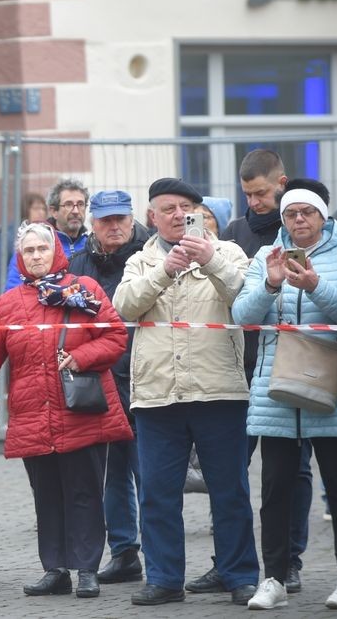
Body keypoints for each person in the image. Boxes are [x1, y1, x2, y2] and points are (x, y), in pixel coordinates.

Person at [0, 221, 131, 599]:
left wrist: (79, 357)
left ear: (56, 251)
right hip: (34, 418)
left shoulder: (83, 290)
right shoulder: (7, 305)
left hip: (81, 413)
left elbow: (116, 336)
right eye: (29, 251)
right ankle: (55, 569)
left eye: (43, 248)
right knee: (47, 498)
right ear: (20, 258)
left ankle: (87, 569)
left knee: (85, 494)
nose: (37, 255)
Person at [113, 177, 258, 606]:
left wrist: (210, 260)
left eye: (186, 207)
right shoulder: (140, 261)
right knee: (157, 493)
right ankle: (164, 578)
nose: (178, 215)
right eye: (168, 208)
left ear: (199, 212)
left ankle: (238, 574)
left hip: (219, 391)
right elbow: (123, 307)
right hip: (159, 395)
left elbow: (247, 300)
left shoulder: (228, 251)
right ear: (152, 217)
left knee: (230, 491)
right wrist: (165, 269)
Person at [191, 149, 309, 596]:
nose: (255, 201)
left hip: (294, 366)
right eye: (247, 194)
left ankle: (290, 563)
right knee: (229, 472)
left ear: (281, 183)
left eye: (261, 193)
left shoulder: (300, 230)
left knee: (292, 472)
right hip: (240, 368)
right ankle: (230, 563)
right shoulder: (235, 232)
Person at [232, 179, 337, 610]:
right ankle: (275, 578)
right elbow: (242, 316)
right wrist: (271, 285)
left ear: (322, 218)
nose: (299, 220)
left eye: (307, 213)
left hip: (331, 388)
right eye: (291, 214)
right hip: (274, 390)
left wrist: (316, 285)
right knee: (275, 490)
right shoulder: (265, 257)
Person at [67, 190, 150, 585]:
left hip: (146, 378)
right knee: (113, 475)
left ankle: (162, 556)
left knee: (150, 475)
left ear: (132, 220)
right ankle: (124, 553)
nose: (113, 226)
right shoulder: (78, 263)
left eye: (120, 218)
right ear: (93, 223)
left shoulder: (151, 255)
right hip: (99, 383)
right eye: (105, 220)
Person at [3, 179, 90, 291]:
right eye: (68, 205)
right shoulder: (33, 244)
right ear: (54, 211)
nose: (76, 211)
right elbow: (14, 291)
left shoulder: (92, 246)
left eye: (80, 204)